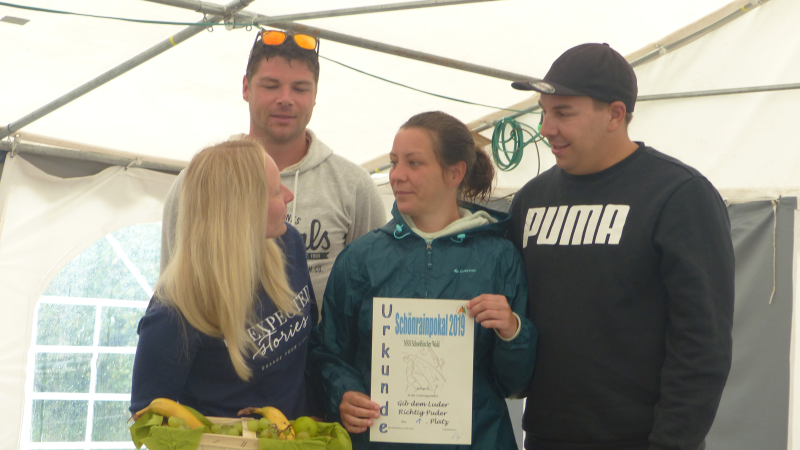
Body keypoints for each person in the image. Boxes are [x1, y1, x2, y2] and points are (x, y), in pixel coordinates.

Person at [508, 43, 735, 450]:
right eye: (544, 111)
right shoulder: (530, 200)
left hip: (640, 440)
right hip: (545, 437)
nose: (546, 128)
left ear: (615, 114)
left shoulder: (678, 195)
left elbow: (702, 342)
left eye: (563, 113)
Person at [307, 111, 537, 449]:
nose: (396, 175)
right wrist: (342, 392)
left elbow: (516, 384)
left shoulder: (499, 257)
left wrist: (513, 331)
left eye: (414, 163)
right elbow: (328, 353)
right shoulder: (361, 258)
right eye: (394, 162)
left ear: (455, 172)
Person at [161, 30, 386, 316]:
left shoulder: (353, 186)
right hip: (218, 357)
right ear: (245, 88)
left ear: (315, 95)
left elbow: (375, 295)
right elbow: (172, 292)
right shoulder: (195, 183)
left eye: (300, 89)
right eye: (270, 85)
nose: (285, 99)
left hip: (319, 360)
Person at [130, 140, 316, 419]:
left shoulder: (288, 243)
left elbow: (311, 347)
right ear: (244, 210)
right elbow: (147, 420)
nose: (289, 195)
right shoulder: (173, 311)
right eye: (277, 191)